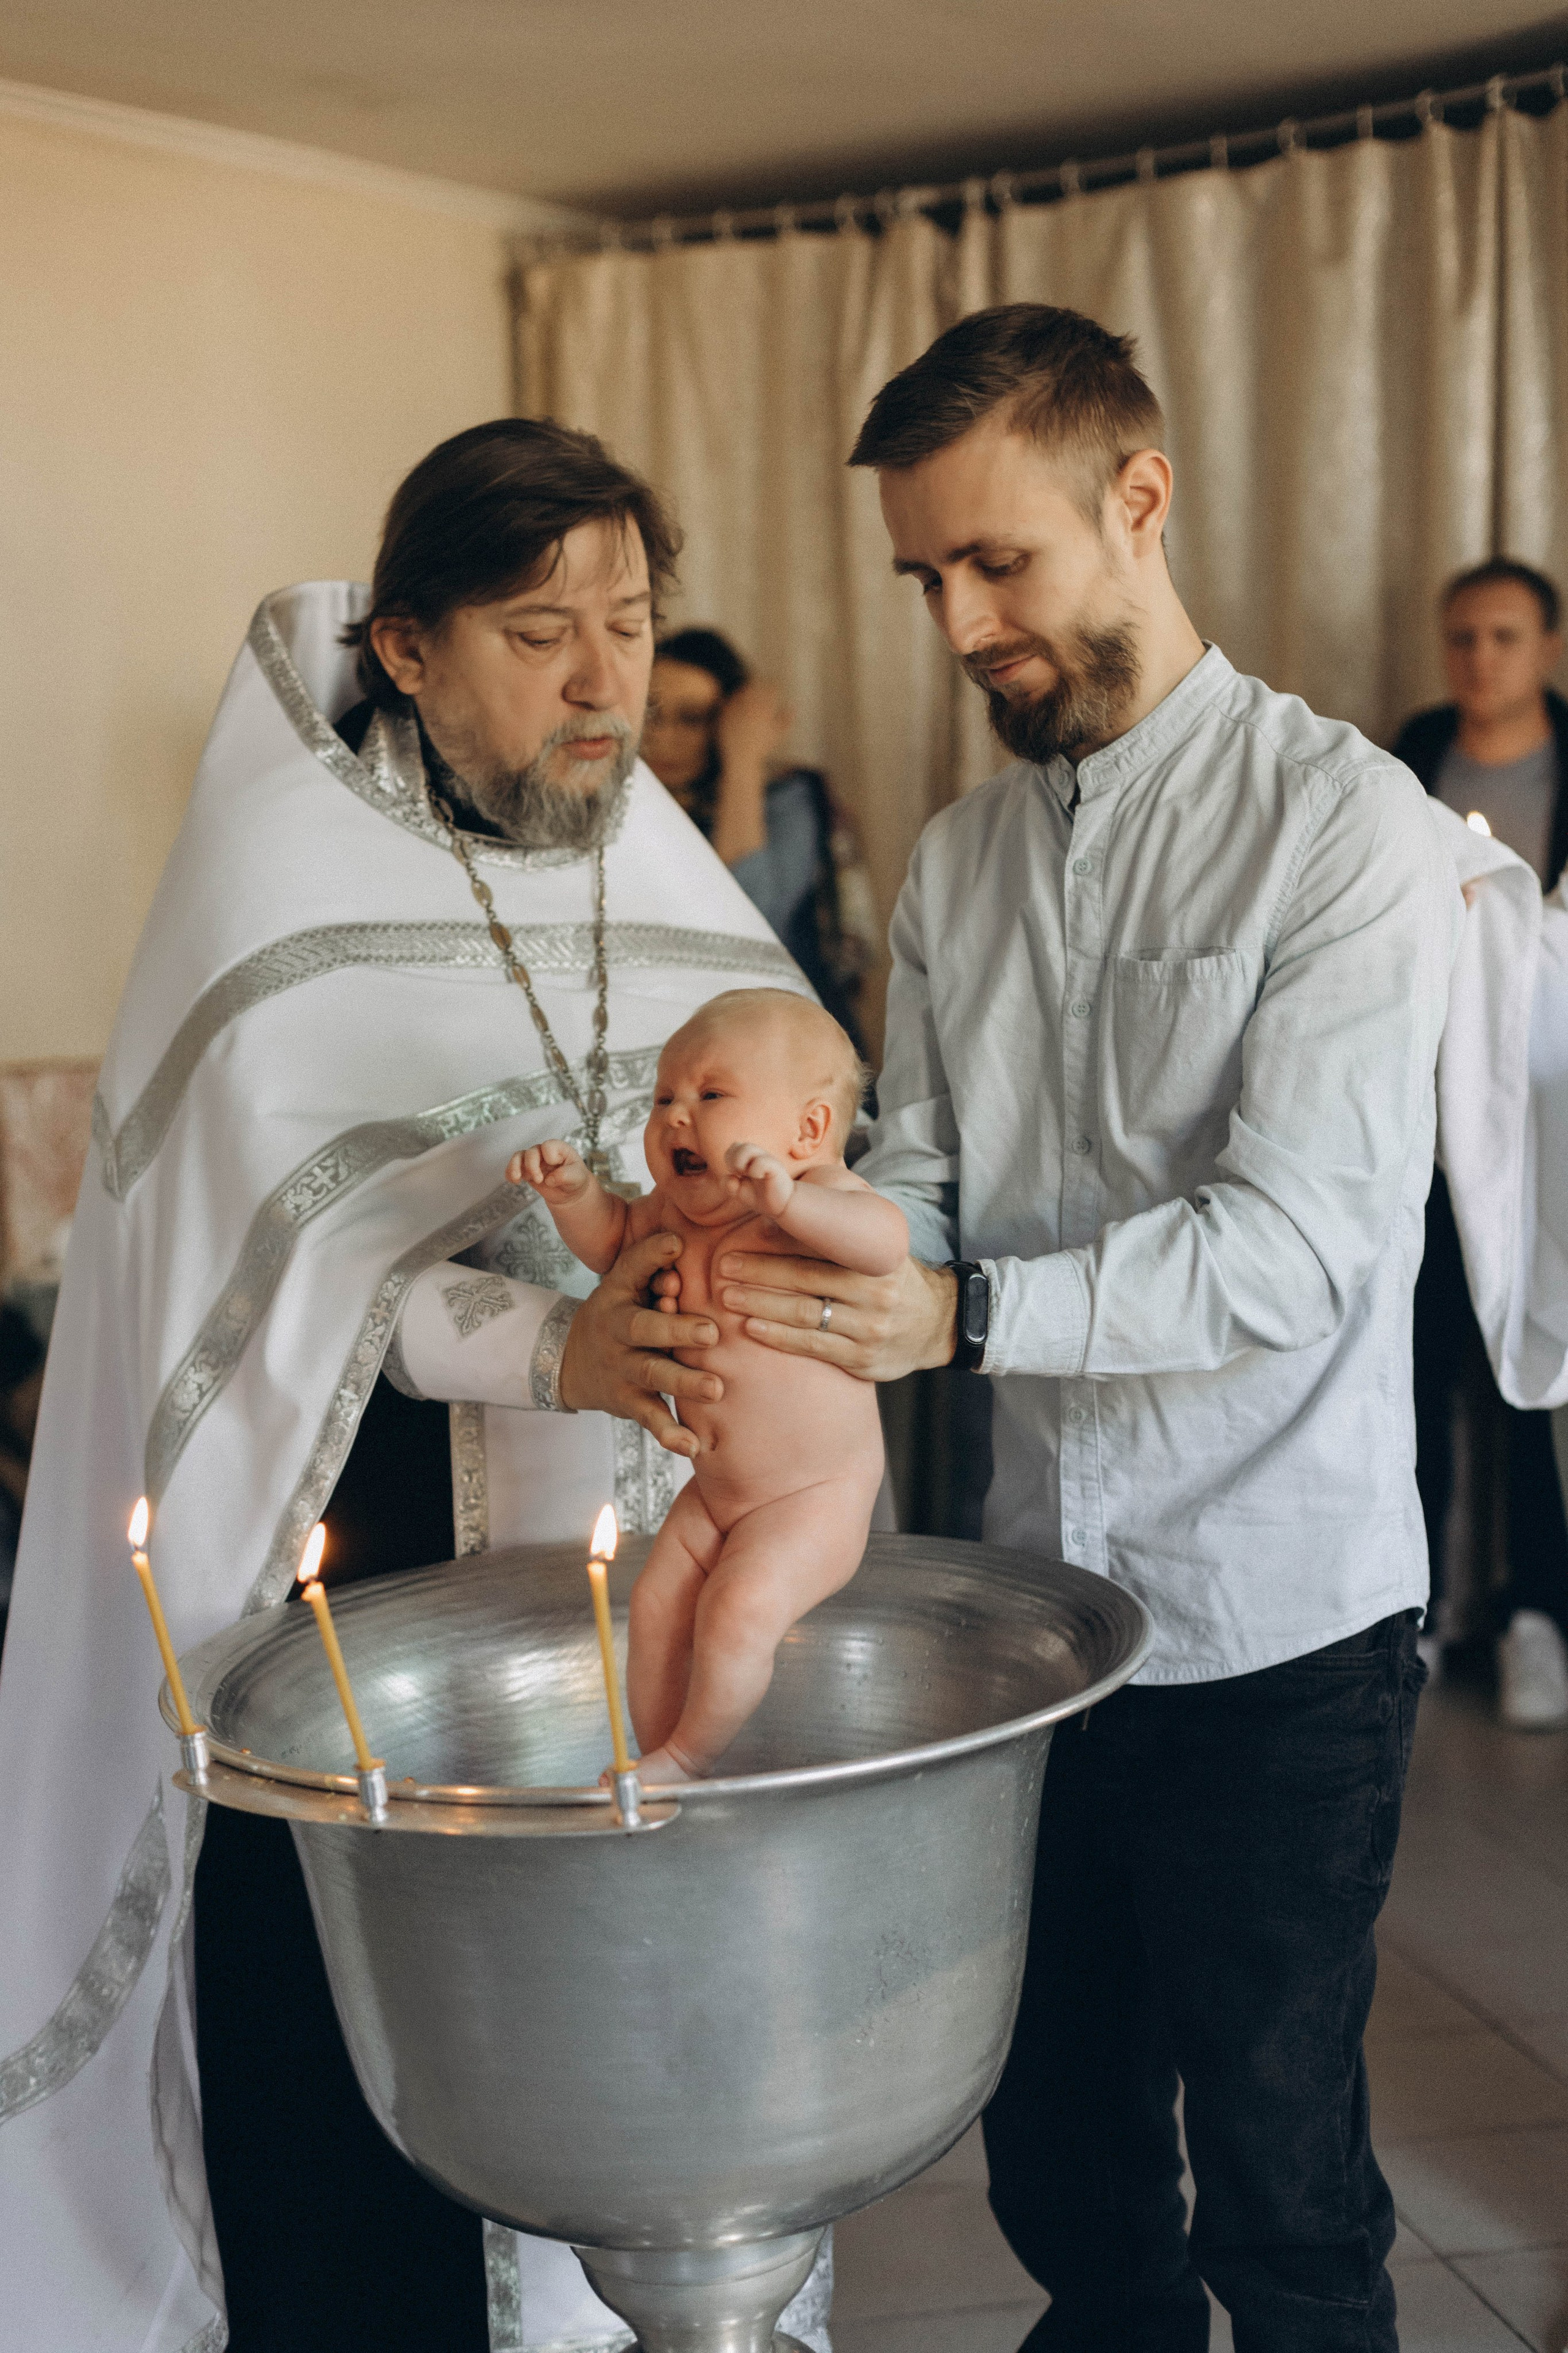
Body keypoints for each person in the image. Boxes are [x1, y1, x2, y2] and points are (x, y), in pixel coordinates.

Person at [0, 420, 834, 2353]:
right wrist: (555, 1337)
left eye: (631, 621)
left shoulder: (669, 872)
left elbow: (809, 1136)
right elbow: (265, 1283)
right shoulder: (270, 906)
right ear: (404, 649)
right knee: (362, 2130)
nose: (607, 679)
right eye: (541, 632)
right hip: (352, 1616)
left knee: (624, 2084)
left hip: (626, 1599)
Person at [707, 303, 1457, 2351]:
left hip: (1280, 1629)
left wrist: (954, 1311)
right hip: (1030, 1623)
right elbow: (934, 1176)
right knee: (1059, 2152)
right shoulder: (955, 867)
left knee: (1287, 2185)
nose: (956, 623)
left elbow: (1293, 1249)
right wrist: (799, 1245)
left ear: (1140, 501)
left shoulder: (1344, 832)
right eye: (924, 578)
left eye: (995, 562)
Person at [514, 988, 900, 1780]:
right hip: (717, 1489)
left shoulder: (818, 1201)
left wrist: (792, 1203)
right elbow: (612, 1242)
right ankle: (657, 1756)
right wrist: (576, 1196)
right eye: (665, 1098)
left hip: (815, 1493)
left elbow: (885, 1243)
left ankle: (691, 1757)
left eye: (711, 1095)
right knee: (656, 1606)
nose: (677, 1118)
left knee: (735, 1611)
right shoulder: (668, 1214)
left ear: (809, 1130)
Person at [1394, 557, 1568, 1728]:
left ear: (1547, 647)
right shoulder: (1406, 755)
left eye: (1503, 637)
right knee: (1413, 1364)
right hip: (1420, 1106)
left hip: (1545, 1103)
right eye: (1462, 637)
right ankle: (1409, 1611)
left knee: (1530, 1363)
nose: (1480, 660)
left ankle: (1536, 1617)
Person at [643, 627, 876, 1047]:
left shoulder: (786, 796)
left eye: (692, 719)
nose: (661, 736)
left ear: (729, 722)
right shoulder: (621, 804)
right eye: (651, 714)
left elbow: (749, 926)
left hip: (782, 1043)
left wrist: (744, 762)